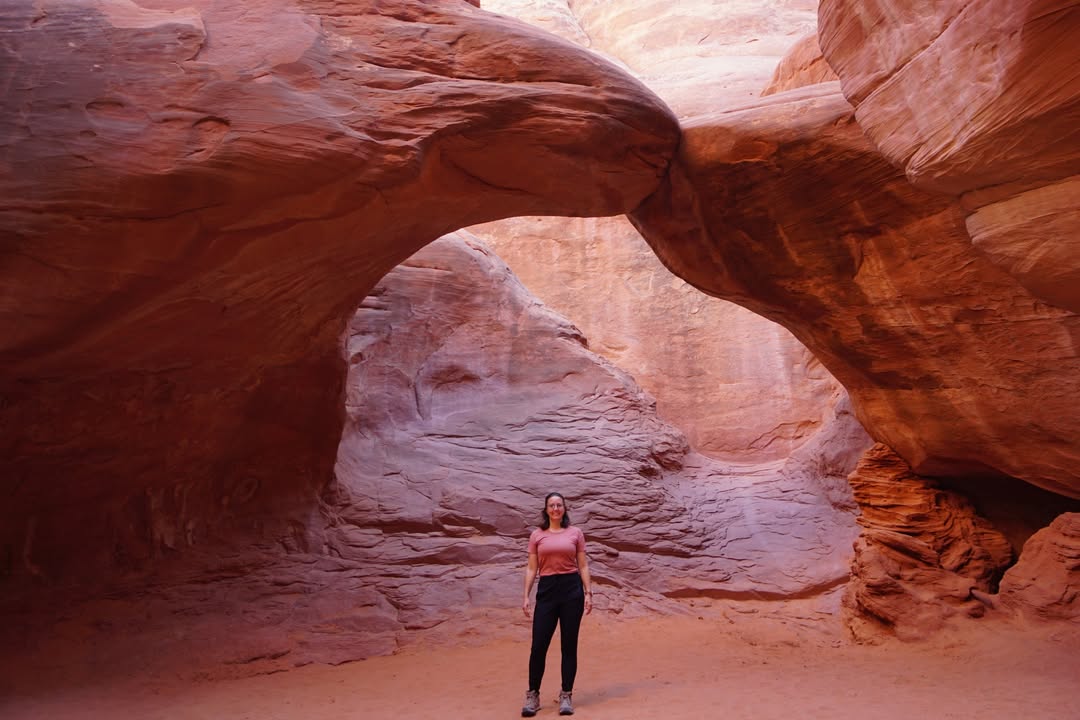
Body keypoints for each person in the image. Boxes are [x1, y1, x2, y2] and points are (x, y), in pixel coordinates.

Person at [520, 492, 593, 717]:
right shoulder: (537, 535)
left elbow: (582, 565)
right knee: (538, 645)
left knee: (568, 645)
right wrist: (526, 595)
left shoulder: (575, 533)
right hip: (547, 590)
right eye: (551, 505)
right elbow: (532, 568)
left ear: (564, 509)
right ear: (546, 509)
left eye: (559, 505)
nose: (555, 508)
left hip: (572, 589)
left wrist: (588, 592)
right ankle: (533, 695)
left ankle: (566, 695)